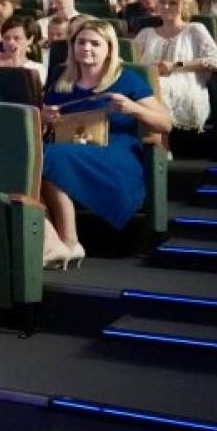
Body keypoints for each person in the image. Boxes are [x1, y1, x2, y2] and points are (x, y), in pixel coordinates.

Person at [41, 20, 172, 269]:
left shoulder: (128, 80)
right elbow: (44, 128)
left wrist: (132, 108)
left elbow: (165, 124)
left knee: (49, 157)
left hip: (115, 154)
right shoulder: (60, 79)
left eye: (95, 43)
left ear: (109, 49)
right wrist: (44, 118)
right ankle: (53, 241)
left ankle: (69, 241)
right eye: (81, 42)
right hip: (67, 149)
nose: (86, 48)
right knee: (40, 157)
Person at [131, 0, 217, 132]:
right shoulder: (146, 33)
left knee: (156, 87)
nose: (166, 6)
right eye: (162, 2)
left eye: (173, 3)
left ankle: (161, 142)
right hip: (148, 81)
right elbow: (131, 60)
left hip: (184, 86)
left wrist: (176, 65)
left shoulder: (194, 29)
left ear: (184, 5)